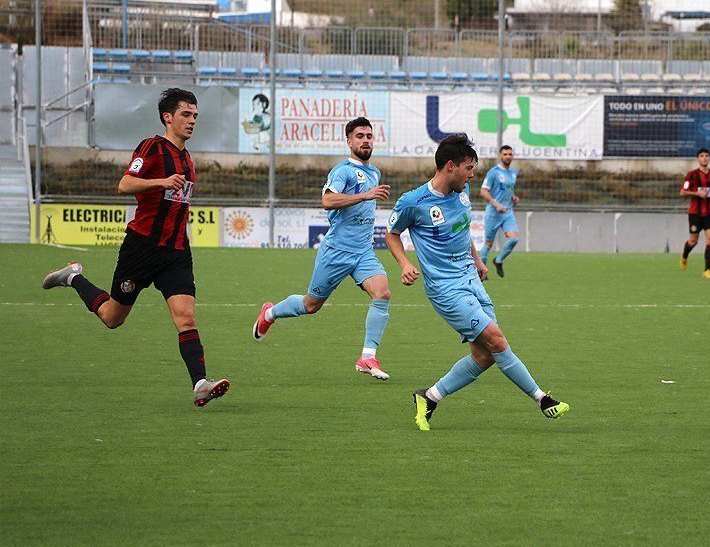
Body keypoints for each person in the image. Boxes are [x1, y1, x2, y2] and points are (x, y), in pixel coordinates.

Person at [41, 88, 229, 407]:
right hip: (141, 248)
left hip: (176, 253)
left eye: (195, 115)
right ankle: (72, 277)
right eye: (186, 114)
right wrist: (161, 181)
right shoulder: (153, 147)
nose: (192, 120)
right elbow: (125, 184)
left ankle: (200, 384)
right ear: (168, 117)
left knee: (186, 318)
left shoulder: (187, 159)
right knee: (113, 318)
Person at [385, 134, 570, 431]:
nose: (472, 175)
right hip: (446, 289)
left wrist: (478, 259)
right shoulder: (414, 202)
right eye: (468, 168)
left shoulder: (463, 190)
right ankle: (542, 399)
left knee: (485, 356)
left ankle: (429, 397)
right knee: (497, 340)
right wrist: (405, 263)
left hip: (471, 278)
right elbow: (391, 234)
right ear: (450, 166)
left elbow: (461, 230)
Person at [252, 117, 393, 380]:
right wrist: (364, 195)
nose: (365, 140)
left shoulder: (375, 172)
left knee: (382, 294)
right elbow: (327, 201)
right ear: (349, 141)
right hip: (336, 251)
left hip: (363, 252)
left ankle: (367, 356)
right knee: (311, 305)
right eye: (360, 136)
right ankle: (269, 313)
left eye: (369, 136)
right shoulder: (343, 171)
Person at [478, 145, 520, 277]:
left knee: (514, 239)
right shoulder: (493, 172)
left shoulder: (513, 173)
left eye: (510, 154)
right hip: (493, 213)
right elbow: (483, 191)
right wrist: (496, 204)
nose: (508, 156)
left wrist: (513, 197)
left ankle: (498, 260)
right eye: (505, 154)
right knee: (488, 244)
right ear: (500, 156)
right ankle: (481, 273)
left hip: (507, 212)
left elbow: (508, 189)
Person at [679, 148, 710, 279]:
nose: (704, 158)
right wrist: (697, 193)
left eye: (707, 156)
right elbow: (682, 192)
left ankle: (707, 270)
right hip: (695, 213)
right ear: (698, 158)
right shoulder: (691, 175)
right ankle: (684, 256)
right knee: (693, 241)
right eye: (702, 156)